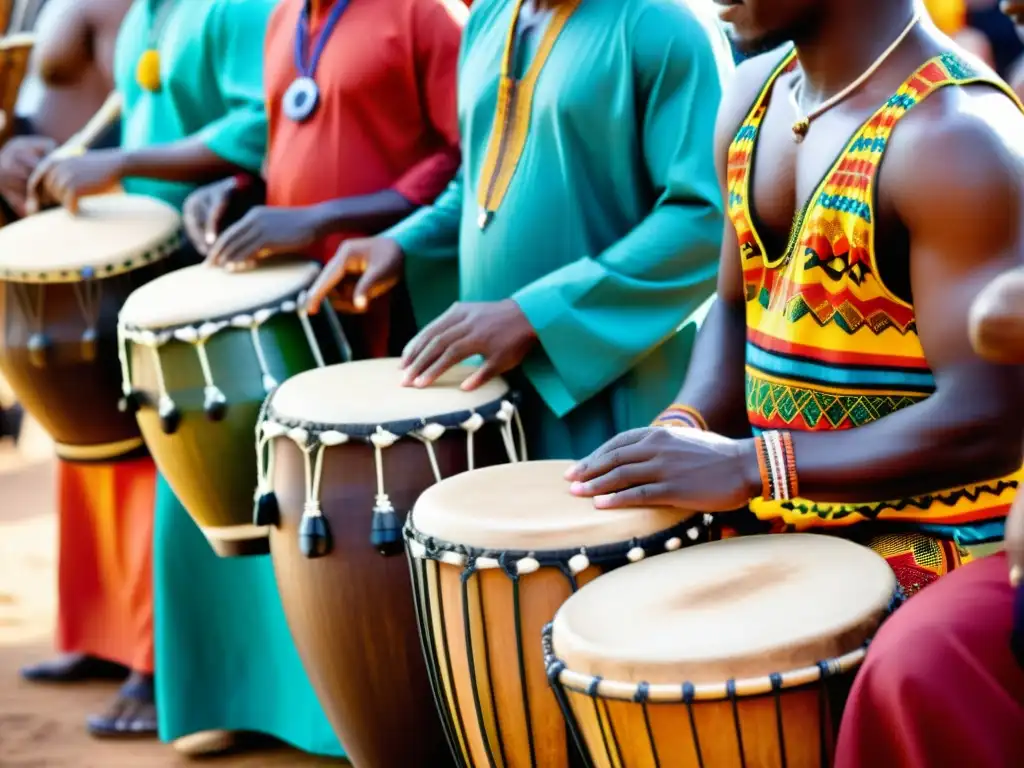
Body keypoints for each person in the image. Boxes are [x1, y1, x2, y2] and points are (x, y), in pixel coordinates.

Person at [564, 0, 1024, 596]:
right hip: (782, 526)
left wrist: (750, 466)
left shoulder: (956, 137)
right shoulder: (754, 92)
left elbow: (989, 422)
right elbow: (736, 307)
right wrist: (684, 426)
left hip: (937, 559)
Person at [27, 0, 342, 758]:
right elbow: (136, 112)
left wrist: (125, 165)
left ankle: (171, 665)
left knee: (194, 485)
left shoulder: (234, 8)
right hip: (140, 273)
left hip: (207, 272)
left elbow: (260, 125)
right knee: (111, 467)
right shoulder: (147, 13)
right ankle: (115, 641)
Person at [304, 0, 733, 461]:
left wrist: (535, 315)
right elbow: (481, 182)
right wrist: (403, 243)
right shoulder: (490, 17)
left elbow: (707, 220)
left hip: (617, 392)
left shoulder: (667, 26)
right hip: (493, 394)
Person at [0, 0, 161, 741]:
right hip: (52, 229)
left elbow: (147, 106)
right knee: (81, 451)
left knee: (131, 451)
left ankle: (152, 659)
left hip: (120, 233)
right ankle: (102, 637)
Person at [186, 0, 465, 360]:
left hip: (397, 294)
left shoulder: (427, 11)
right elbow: (292, 142)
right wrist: (239, 187)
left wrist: (321, 219)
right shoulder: (284, 16)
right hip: (304, 301)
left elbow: (467, 158)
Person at [833, 248, 1024, 766]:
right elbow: (997, 316)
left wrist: (758, 465)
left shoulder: (952, 165)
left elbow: (987, 407)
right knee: (917, 656)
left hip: (956, 539)